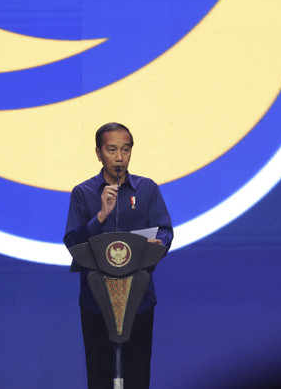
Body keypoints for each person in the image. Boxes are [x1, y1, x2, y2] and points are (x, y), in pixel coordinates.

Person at [64, 122, 173, 389]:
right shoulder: (83, 193)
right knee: (99, 374)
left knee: (137, 374)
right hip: (96, 299)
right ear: (98, 153)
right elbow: (73, 242)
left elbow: (166, 232)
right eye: (111, 150)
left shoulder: (147, 190)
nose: (119, 157)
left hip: (139, 297)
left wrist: (158, 244)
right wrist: (100, 215)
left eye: (125, 149)